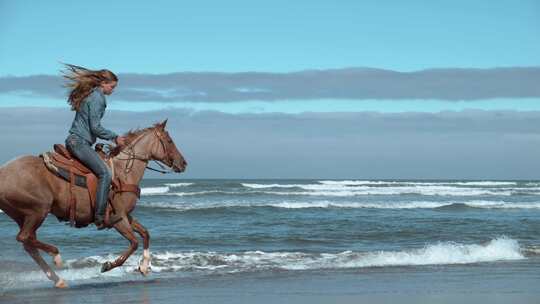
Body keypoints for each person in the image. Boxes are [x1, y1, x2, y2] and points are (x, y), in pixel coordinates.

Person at [63, 64, 127, 229]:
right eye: (112, 87)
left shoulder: (90, 95)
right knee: (105, 173)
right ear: (103, 83)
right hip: (79, 142)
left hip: (78, 141)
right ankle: (99, 217)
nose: (113, 90)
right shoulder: (98, 98)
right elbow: (95, 127)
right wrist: (115, 137)